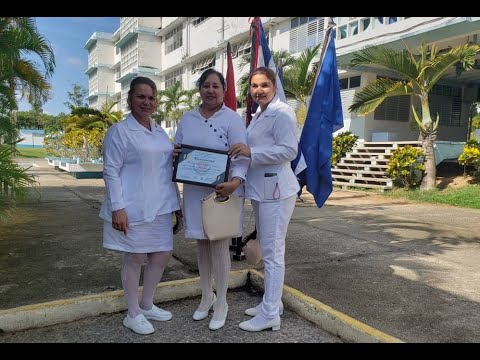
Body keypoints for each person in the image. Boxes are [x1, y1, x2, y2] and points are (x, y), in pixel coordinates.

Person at [99, 76, 181, 335]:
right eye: (141, 97)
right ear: (130, 99)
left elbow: (164, 169)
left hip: (160, 206)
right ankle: (132, 313)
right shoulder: (119, 132)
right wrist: (117, 208)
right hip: (131, 207)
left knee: (162, 253)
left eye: (151, 97)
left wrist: (176, 204)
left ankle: (146, 304)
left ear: (156, 102)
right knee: (135, 257)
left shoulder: (159, 132)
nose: (147, 102)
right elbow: (110, 172)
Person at [174, 68, 249, 331]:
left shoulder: (232, 119)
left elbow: (241, 155)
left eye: (216, 86)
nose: (210, 90)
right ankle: (207, 295)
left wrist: (235, 183)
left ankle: (222, 303)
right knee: (201, 245)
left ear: (223, 89)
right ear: (199, 89)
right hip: (194, 190)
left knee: (218, 245)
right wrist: (176, 158)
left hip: (221, 190)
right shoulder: (188, 117)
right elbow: (179, 150)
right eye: (206, 85)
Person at [229, 67, 299, 332]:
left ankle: (270, 314)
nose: (259, 90)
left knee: (272, 253)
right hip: (262, 191)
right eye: (254, 86)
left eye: (264, 85)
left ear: (274, 86)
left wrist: (251, 151)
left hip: (276, 192)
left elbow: (289, 150)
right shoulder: (260, 113)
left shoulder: (281, 113)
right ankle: (273, 303)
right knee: (270, 250)